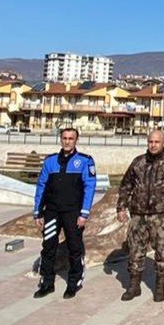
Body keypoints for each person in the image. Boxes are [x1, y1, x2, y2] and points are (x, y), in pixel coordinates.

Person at [116, 129, 164, 302]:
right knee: (135, 251)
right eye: (150, 142)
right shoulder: (138, 162)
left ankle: (159, 287)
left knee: (162, 253)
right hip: (138, 215)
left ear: (163, 143)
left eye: (157, 142)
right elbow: (126, 185)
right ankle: (134, 286)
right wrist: (121, 207)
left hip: (161, 215)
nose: (153, 145)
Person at [32, 127, 97, 299]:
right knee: (48, 248)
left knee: (74, 248)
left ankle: (73, 282)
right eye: (65, 138)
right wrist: (38, 211)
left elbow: (89, 188)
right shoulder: (50, 162)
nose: (67, 141)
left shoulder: (85, 161)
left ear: (76, 141)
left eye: (71, 138)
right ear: (60, 139)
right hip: (52, 212)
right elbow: (41, 186)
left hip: (73, 213)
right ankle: (47, 283)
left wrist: (84, 213)